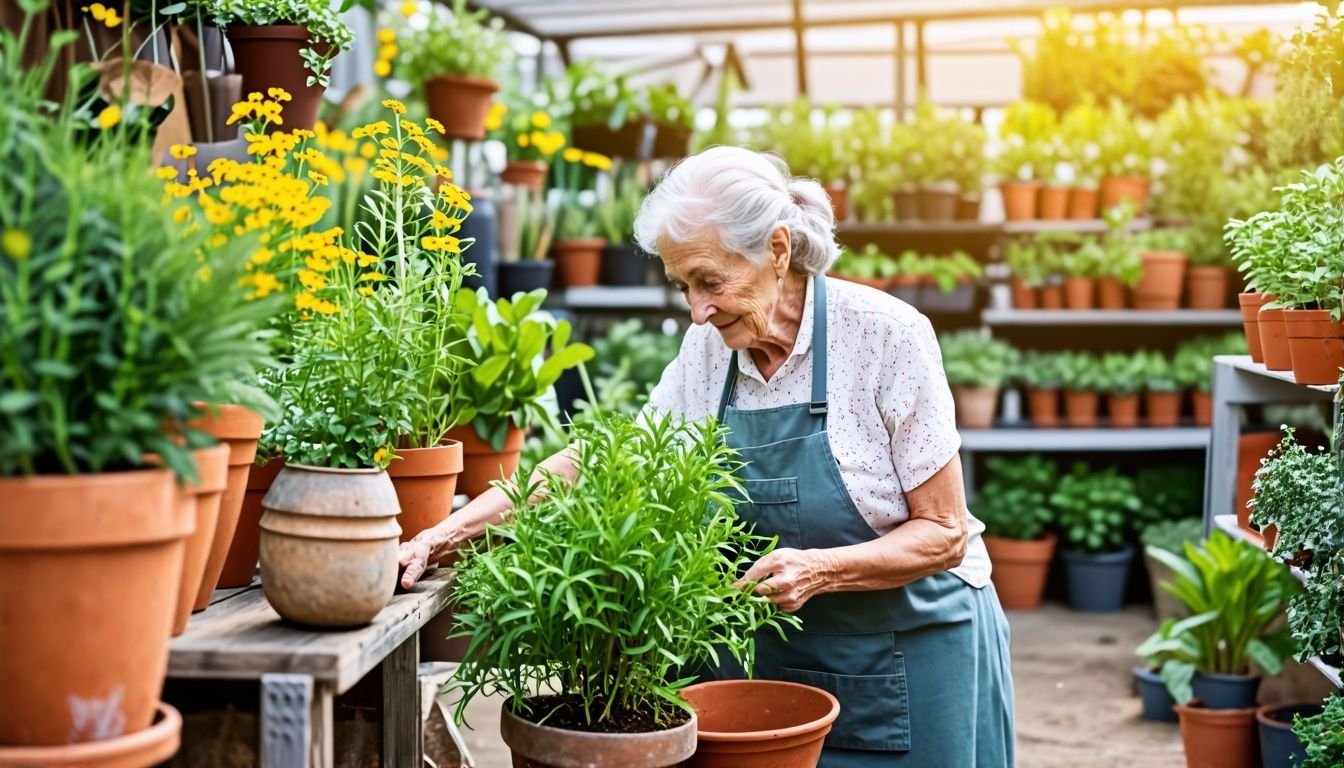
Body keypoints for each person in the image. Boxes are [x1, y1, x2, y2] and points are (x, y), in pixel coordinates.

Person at [399, 146, 1015, 766]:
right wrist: (443, 534)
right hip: (780, 663)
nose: (697, 310)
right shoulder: (709, 351)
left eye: (710, 282)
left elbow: (944, 533)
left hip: (911, 653)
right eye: (683, 286)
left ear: (777, 250)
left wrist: (820, 570)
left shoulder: (886, 335)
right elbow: (603, 461)